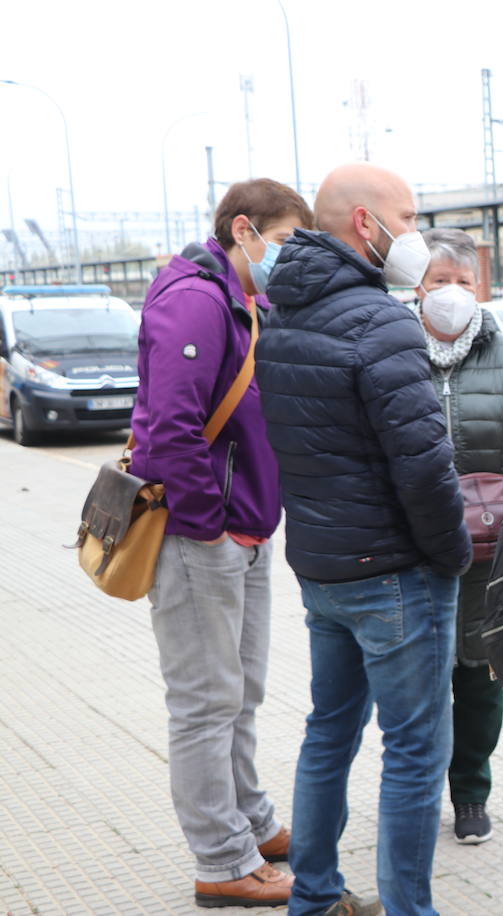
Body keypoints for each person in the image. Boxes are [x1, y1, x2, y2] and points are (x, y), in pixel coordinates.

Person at [256, 162, 472, 916]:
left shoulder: (282, 315)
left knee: (329, 732)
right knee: (415, 754)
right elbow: (424, 464)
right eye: (408, 219)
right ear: (364, 224)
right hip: (395, 575)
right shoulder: (381, 322)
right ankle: (410, 909)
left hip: (323, 567)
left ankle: (312, 897)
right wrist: (453, 555)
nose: (414, 234)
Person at [130, 178, 311, 908]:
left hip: (245, 526)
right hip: (204, 535)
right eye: (286, 243)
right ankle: (221, 858)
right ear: (246, 230)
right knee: (205, 701)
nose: (288, 259)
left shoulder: (244, 301)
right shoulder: (195, 300)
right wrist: (208, 527)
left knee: (241, 693)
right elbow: (171, 426)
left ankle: (252, 820)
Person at [408, 227, 503, 845]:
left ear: (481, 288)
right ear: (415, 287)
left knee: (478, 678)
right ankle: (416, 795)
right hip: (412, 554)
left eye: (462, 282)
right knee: (417, 683)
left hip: (488, 558)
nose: (450, 293)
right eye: (438, 281)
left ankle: (470, 792)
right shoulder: (390, 351)